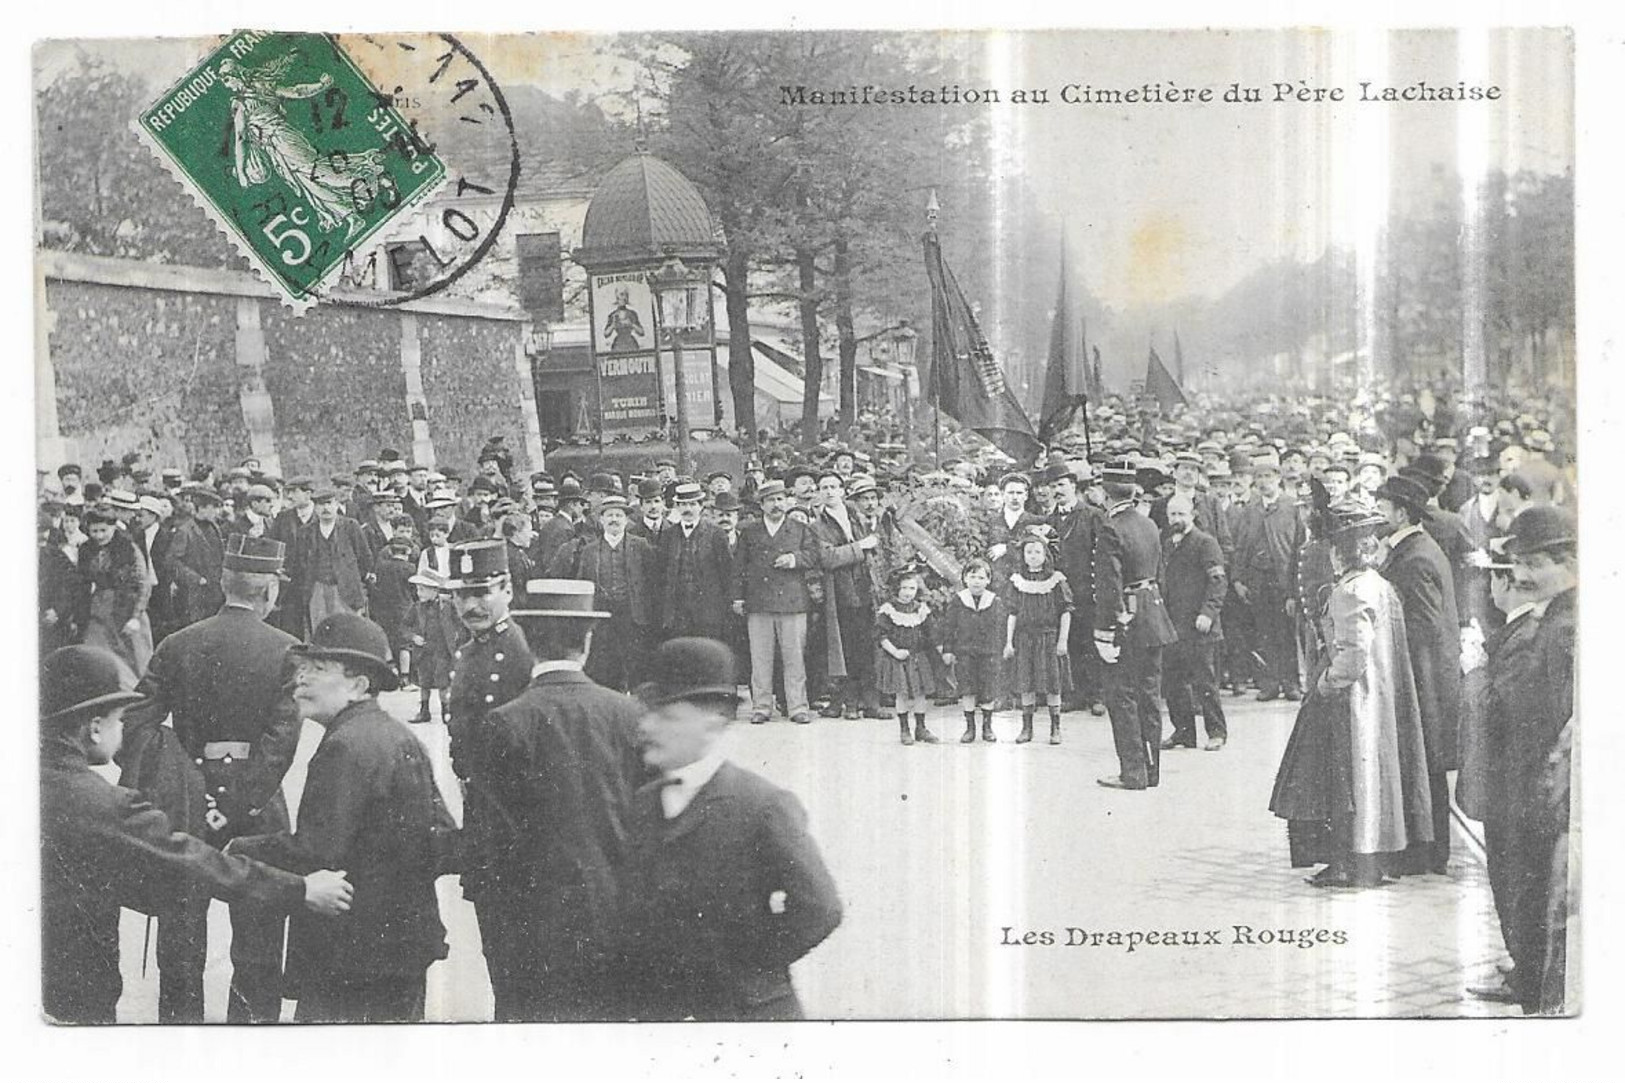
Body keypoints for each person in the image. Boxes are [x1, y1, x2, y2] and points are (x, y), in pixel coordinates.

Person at [40, 644, 353, 1024]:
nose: (122, 728)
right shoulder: (100, 802)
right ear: (93, 728)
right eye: (118, 719)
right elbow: (192, 862)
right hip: (73, 1003)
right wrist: (300, 889)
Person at [116, 535, 305, 1023]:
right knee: (258, 946)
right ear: (269, 590)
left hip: (185, 809)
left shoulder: (178, 643)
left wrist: (174, 779)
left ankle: (182, 1048)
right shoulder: (287, 650)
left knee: (180, 946)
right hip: (260, 813)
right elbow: (280, 743)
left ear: (224, 583)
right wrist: (238, 807)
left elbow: (134, 722)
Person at [229, 614, 450, 1022]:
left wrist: (237, 849)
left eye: (318, 669)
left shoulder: (346, 747)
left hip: (350, 958)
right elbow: (442, 838)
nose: (301, 680)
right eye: (301, 669)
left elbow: (315, 851)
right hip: (399, 951)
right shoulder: (399, 736)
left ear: (359, 685)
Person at [609, 637, 843, 1020]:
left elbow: (820, 908)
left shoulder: (761, 805)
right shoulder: (642, 804)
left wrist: (749, 964)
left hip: (744, 1015)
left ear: (711, 726)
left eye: (667, 717)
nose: (647, 727)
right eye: (647, 714)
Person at [474, 578, 645, 1021]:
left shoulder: (504, 723)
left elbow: (491, 843)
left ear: (529, 641)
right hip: (617, 918)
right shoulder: (628, 714)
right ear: (587, 639)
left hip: (533, 929)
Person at [1268, 504, 1435, 888]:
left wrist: (1324, 685)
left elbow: (1353, 654)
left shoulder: (1349, 591)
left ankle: (1347, 863)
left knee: (1344, 783)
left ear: (1339, 551)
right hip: (1380, 697)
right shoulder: (1380, 585)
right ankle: (1371, 860)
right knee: (1375, 778)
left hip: (1353, 702)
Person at [1461, 506, 1576, 1013]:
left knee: (1520, 882)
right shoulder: (1552, 616)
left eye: (1533, 565)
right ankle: (1528, 966)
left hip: (1526, 784)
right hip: (1526, 780)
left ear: (1566, 560)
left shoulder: (1560, 626)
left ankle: (1530, 979)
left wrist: (1475, 672)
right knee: (1520, 884)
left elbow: (1517, 707)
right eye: (1518, 566)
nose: (1522, 577)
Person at [441, 539, 536, 1004]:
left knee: (518, 947)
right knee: (497, 945)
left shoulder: (517, 650)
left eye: (482, 592)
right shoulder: (469, 650)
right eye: (461, 595)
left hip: (517, 821)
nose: (471, 605)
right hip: (484, 814)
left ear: (507, 590)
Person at [1375, 474, 1462, 875]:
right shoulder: (1414, 549)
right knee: (1422, 764)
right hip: (1422, 677)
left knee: (1424, 764)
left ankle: (1428, 853)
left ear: (1401, 512)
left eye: (1383, 506)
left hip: (1422, 680)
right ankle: (1424, 848)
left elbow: (1425, 627)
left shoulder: (1417, 557)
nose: (1379, 512)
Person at [1094, 463, 1180, 787]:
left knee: (1123, 696)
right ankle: (1151, 771)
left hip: (1125, 619)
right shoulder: (1149, 524)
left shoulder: (1110, 528)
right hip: (1153, 614)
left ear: (1105, 494)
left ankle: (1133, 773)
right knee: (1149, 694)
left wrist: (1105, 632)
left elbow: (1109, 584)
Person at [732, 479, 825, 725]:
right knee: (760, 658)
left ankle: (797, 707)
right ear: (761, 505)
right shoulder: (749, 532)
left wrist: (794, 559)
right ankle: (761, 707)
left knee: (794, 657)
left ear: (787, 501)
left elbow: (814, 555)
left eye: (780, 499)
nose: (776, 505)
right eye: (771, 500)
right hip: (759, 603)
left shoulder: (801, 529)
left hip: (793, 603)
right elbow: (739, 566)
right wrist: (738, 597)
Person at [554, 494, 656, 692]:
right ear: (601, 520)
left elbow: (652, 583)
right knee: (606, 668)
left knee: (636, 668)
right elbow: (583, 583)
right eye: (609, 515)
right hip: (603, 619)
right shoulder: (589, 551)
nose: (614, 520)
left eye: (619, 515)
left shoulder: (641, 546)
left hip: (633, 617)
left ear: (627, 520)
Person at [1159, 492, 1229, 752]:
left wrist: (1208, 613)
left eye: (1181, 514)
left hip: (1200, 626)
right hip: (1173, 625)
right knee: (1174, 681)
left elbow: (1218, 582)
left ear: (1193, 515)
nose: (1176, 519)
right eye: (1172, 514)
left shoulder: (1205, 543)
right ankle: (1183, 732)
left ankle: (1217, 732)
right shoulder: (1167, 543)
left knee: (1205, 682)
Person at [1003, 531, 1074, 746]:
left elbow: (1065, 611)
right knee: (1027, 683)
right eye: (1029, 552)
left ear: (1045, 554)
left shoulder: (1056, 580)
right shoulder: (1017, 581)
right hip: (1025, 639)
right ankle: (1027, 728)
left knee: (1053, 684)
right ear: (1023, 555)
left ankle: (1055, 728)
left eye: (1037, 551)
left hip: (1049, 638)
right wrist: (1008, 642)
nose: (1033, 555)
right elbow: (1012, 613)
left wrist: (1062, 641)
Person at [78, 506, 155, 676]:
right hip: (100, 611)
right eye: (94, 531)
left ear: (113, 527)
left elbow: (143, 583)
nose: (99, 536)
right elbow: (82, 583)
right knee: (98, 658)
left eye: (103, 530)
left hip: (129, 607)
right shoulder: (85, 550)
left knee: (136, 662)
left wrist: (135, 618)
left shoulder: (129, 548)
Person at [655, 480, 734, 645]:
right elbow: (661, 573)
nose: (688, 509)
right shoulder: (668, 535)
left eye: (692, 504)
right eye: (683, 505)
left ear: (701, 506)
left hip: (708, 611)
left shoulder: (716, 534)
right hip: (677, 611)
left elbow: (726, 574)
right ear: (676, 507)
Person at [940, 558, 1009, 744]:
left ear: (988, 580)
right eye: (972, 577)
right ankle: (970, 728)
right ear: (965, 578)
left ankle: (987, 727)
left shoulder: (995, 602)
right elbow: (949, 626)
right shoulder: (958, 600)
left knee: (988, 689)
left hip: (989, 653)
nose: (976, 581)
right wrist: (948, 649)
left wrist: (1003, 648)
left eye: (981, 577)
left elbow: (1002, 628)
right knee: (968, 689)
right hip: (965, 652)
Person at [875, 568, 943, 746]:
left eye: (912, 589)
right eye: (904, 588)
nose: (907, 593)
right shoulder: (888, 610)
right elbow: (881, 636)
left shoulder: (921, 609)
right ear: (896, 588)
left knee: (921, 693)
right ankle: (904, 729)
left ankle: (921, 728)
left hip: (918, 657)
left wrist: (942, 651)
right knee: (902, 695)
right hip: (897, 659)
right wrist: (895, 652)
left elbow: (932, 633)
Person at [291, 488, 375, 628]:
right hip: (317, 589)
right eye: (321, 504)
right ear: (315, 507)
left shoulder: (350, 527)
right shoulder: (306, 532)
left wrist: (351, 577)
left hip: (346, 590)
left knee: (349, 631)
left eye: (329, 503)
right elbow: (301, 562)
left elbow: (365, 558)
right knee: (320, 630)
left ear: (336, 504)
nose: (326, 508)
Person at [405, 571, 460, 724]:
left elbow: (460, 623)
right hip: (424, 651)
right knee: (424, 681)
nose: (418, 593)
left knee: (443, 681)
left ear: (434, 590)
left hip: (442, 650)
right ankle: (424, 711)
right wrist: (413, 637)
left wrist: (456, 637)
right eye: (417, 589)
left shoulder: (448, 606)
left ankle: (446, 710)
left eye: (422, 589)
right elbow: (404, 627)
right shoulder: (416, 608)